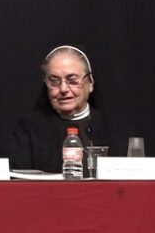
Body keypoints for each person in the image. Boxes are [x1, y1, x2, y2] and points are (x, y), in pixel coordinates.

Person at [7, 45, 134, 173]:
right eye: (54, 81)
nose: (63, 89)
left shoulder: (117, 128)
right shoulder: (28, 128)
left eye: (72, 80)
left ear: (90, 83)